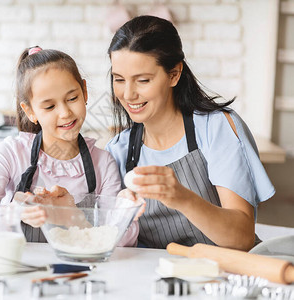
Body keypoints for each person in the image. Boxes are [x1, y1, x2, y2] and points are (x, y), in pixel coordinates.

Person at [105, 15, 275, 251]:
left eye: (143, 80)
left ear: (174, 74)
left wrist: (182, 198)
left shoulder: (217, 128)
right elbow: (106, 239)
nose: (128, 94)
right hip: (152, 281)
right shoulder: (118, 150)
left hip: (222, 277)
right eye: (119, 80)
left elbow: (242, 237)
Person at [0, 46, 140, 245]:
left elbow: (127, 239)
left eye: (72, 98)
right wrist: (14, 212)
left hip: (79, 270)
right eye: (49, 106)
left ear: (84, 91)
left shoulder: (102, 162)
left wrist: (74, 217)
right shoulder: (10, 154)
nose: (65, 113)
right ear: (29, 111)